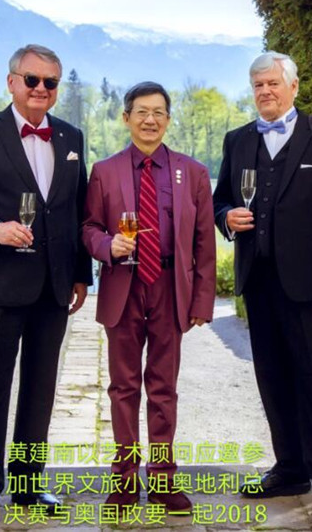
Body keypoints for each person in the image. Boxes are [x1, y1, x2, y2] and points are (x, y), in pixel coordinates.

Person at [0, 44, 93, 528]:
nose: (41, 89)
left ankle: (27, 485)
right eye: (32, 80)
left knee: (39, 392)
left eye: (50, 82)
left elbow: (76, 209)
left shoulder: (71, 137)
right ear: (12, 82)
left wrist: (81, 273)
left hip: (52, 287)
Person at [213, 51, 312, 531]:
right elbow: (220, 201)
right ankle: (291, 469)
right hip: (258, 283)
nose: (265, 92)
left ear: (293, 87)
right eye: (258, 85)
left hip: (311, 285)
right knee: (273, 379)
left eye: (273, 83)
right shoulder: (238, 141)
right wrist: (227, 218)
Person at [82, 81, 216, 513]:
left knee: (164, 389)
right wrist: (108, 246)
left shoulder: (193, 173)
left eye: (158, 112)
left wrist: (202, 301)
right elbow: (88, 228)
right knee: (123, 388)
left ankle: (162, 481)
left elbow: (204, 244)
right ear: (126, 118)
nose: (150, 120)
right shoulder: (105, 170)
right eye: (141, 112)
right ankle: (123, 481)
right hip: (123, 285)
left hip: (170, 288)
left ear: (168, 120)